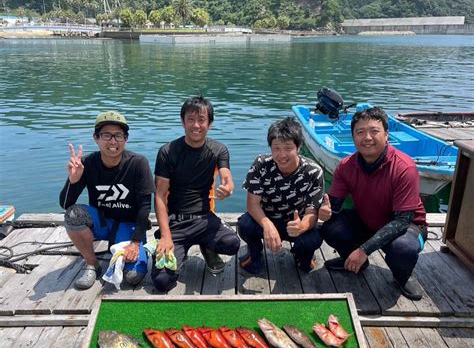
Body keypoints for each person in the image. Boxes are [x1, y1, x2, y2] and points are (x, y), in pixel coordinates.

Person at [320, 105, 427, 300]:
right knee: (330, 227)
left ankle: (402, 276)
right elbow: (333, 205)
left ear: (386, 135)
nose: (367, 137)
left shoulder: (404, 167)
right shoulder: (346, 166)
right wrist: (325, 211)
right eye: (360, 132)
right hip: (368, 220)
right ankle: (354, 261)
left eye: (374, 131)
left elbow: (403, 221)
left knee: (403, 249)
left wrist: (363, 250)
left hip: (409, 227)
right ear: (353, 137)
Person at [151, 95, 240, 292]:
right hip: (176, 222)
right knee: (162, 281)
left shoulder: (218, 150)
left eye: (201, 120)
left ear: (210, 123)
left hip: (204, 218)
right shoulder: (168, 151)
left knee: (232, 243)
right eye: (190, 119)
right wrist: (166, 235)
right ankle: (165, 242)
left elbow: (226, 176)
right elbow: (159, 196)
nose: (196, 125)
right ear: (182, 121)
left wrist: (228, 187)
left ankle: (207, 246)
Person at [59, 111, 155, 289]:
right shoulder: (86, 163)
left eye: (118, 135)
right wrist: (73, 182)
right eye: (106, 135)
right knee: (73, 215)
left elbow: (144, 207)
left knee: (133, 277)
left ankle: (138, 250)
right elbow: (65, 205)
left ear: (125, 139)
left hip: (130, 225)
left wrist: (134, 243)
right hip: (102, 223)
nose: (113, 141)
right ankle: (91, 264)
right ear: (96, 138)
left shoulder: (138, 163)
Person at [237, 116, 325, 274]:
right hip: (267, 218)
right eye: (276, 148)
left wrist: (302, 226)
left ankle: (303, 257)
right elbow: (252, 204)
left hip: (295, 223)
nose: (282, 154)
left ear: (298, 147)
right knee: (245, 225)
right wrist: (267, 225)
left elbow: (312, 212)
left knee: (313, 238)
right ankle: (255, 255)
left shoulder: (313, 171)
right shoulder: (261, 164)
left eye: (288, 148)